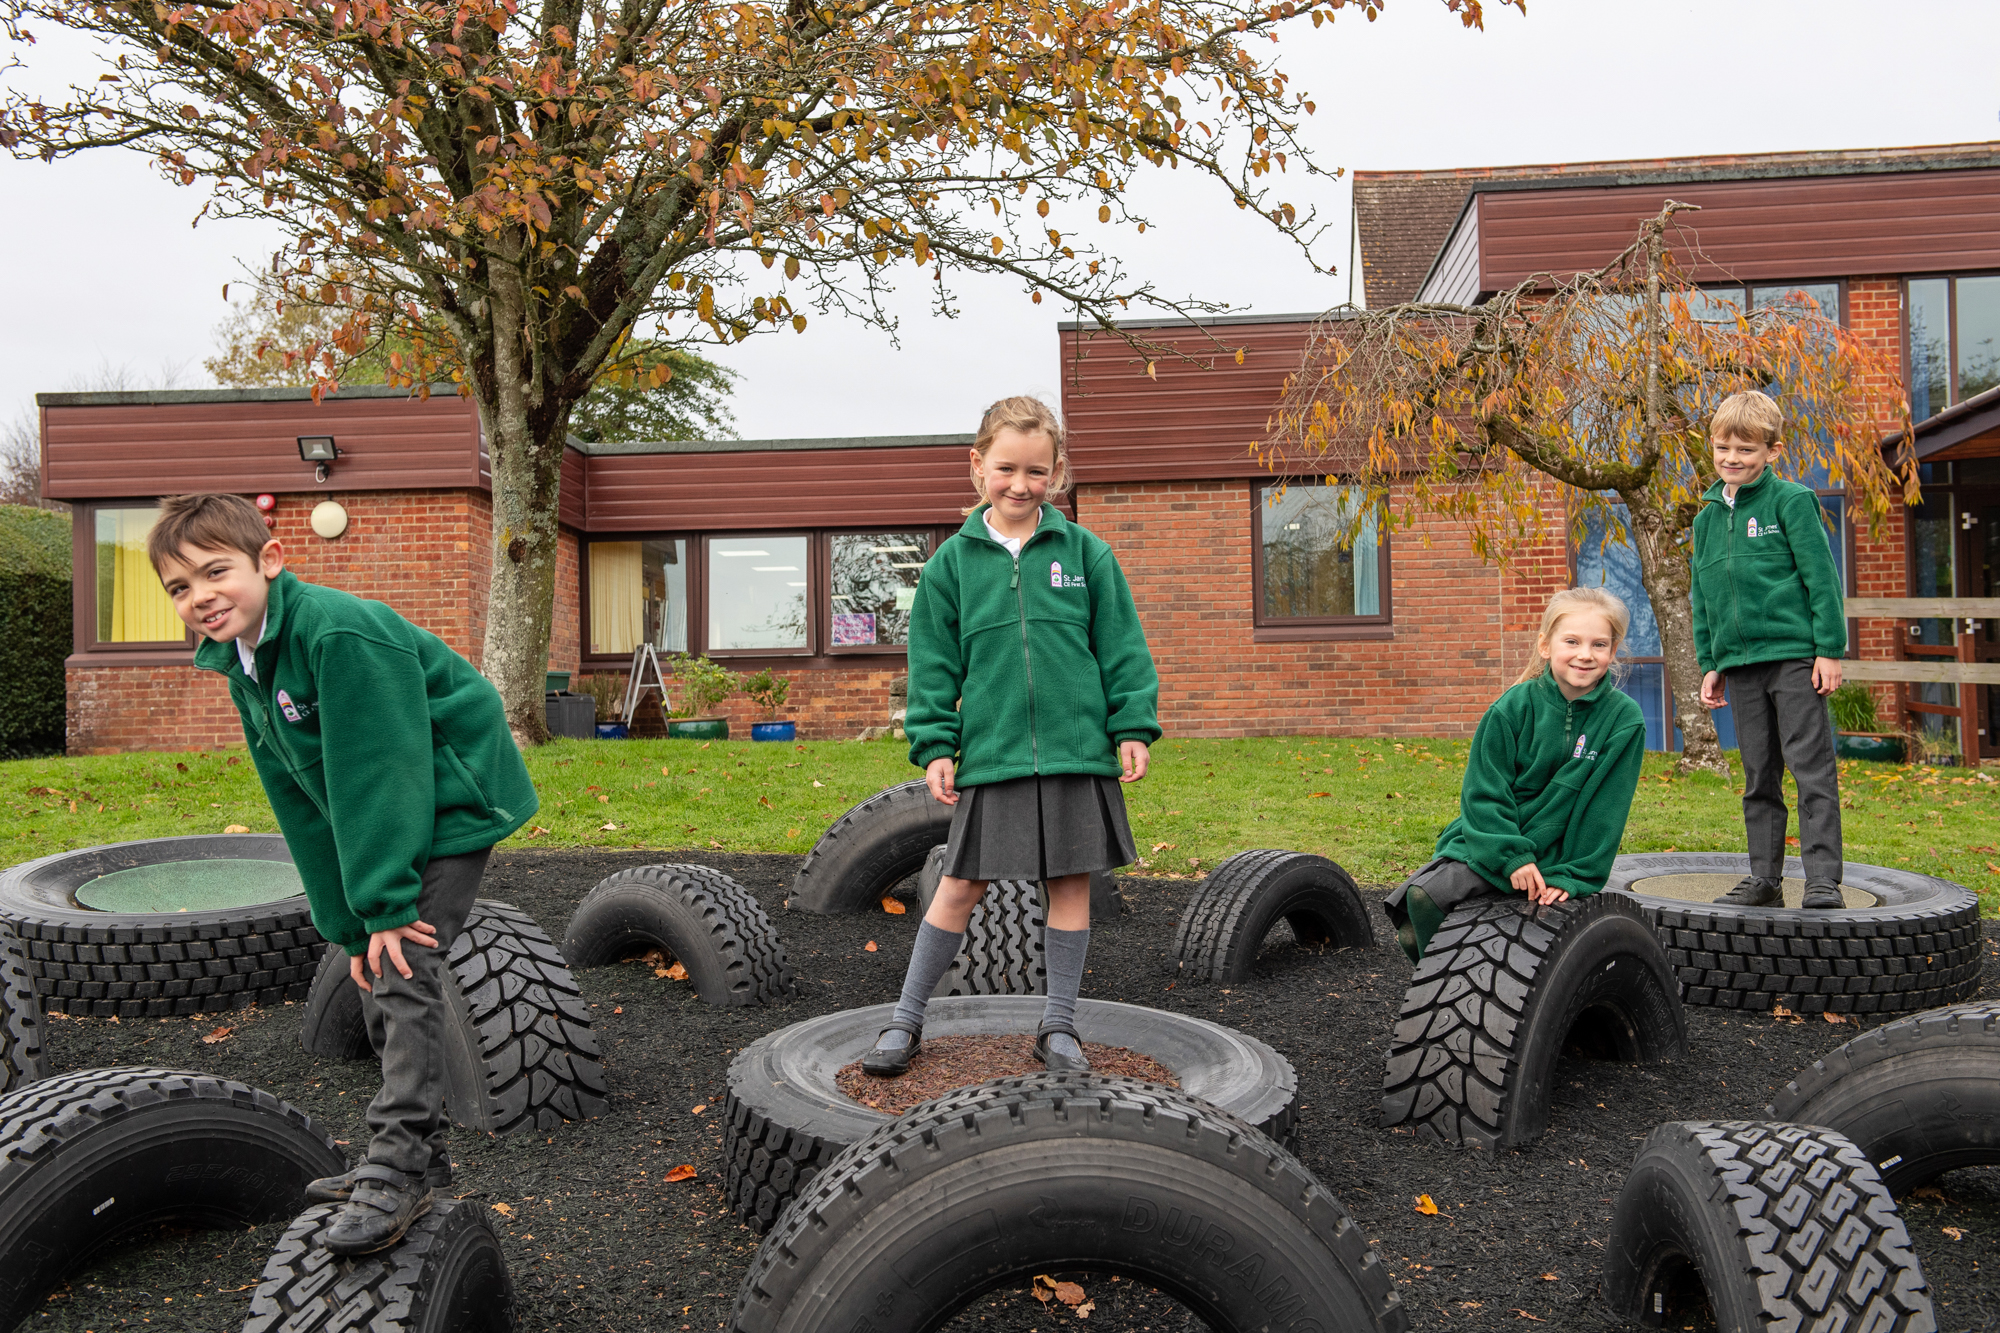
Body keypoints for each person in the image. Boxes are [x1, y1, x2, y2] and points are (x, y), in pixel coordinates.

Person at [148, 493, 538, 1254]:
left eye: (214, 572)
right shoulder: (244, 662)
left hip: (453, 792)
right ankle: (415, 1149)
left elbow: (379, 771)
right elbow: (301, 798)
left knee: (405, 957)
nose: (199, 597)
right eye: (179, 588)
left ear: (271, 559)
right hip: (392, 800)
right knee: (369, 958)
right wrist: (347, 922)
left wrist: (386, 905)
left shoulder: (336, 633)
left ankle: (399, 1163)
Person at [862, 396, 1161, 1076]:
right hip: (993, 754)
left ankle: (1057, 1027)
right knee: (960, 882)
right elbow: (933, 667)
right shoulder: (950, 567)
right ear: (977, 467)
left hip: (1075, 751)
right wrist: (936, 743)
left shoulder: (1087, 554)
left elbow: (1122, 648)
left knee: (1070, 883)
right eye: (1006, 468)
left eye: (1037, 470)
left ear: (1057, 472)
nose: (1021, 484)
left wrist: (1131, 726)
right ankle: (906, 1020)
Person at [1383, 587, 1647, 963]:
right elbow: (1483, 794)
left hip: (1560, 850)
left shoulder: (1624, 720)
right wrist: (1512, 857)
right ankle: (1444, 992)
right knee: (1420, 906)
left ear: (1613, 650)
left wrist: (1574, 875)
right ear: (1545, 645)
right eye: (1571, 641)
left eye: (1599, 644)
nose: (1585, 654)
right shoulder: (1511, 708)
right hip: (1496, 836)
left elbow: (1606, 809)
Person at [1691, 390, 1848, 909]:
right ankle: (1764, 878)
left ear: (1771, 452)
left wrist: (1828, 648)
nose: (1732, 458)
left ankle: (1822, 878)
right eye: (1723, 448)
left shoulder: (1792, 502)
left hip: (1794, 658)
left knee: (1811, 770)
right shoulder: (1706, 520)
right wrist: (1711, 663)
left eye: (1746, 450)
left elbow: (1821, 580)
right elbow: (1704, 598)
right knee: (1759, 775)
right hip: (1741, 667)